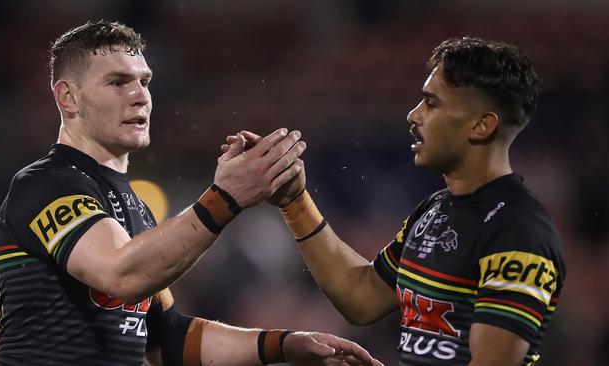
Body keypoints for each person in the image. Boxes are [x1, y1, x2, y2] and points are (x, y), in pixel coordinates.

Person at [0, 20, 384, 366]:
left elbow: (167, 340)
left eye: (144, 81)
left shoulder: (137, 210)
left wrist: (284, 344)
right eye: (117, 82)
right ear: (68, 97)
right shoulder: (45, 184)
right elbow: (120, 274)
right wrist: (225, 198)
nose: (140, 95)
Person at [224, 37, 566, 365]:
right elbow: (361, 297)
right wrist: (294, 200)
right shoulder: (434, 211)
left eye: (432, 103)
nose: (413, 115)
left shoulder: (518, 232)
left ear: (481, 125)